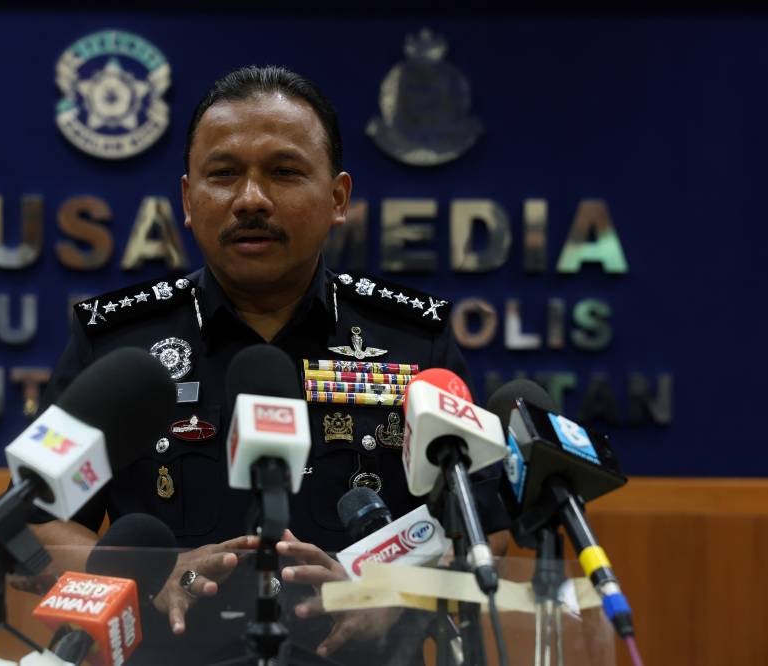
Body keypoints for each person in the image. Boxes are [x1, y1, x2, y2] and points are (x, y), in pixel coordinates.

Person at [28, 65, 509, 659]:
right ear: (188, 199)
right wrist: (144, 577)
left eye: (283, 172)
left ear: (337, 198)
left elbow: (484, 527)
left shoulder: (415, 343)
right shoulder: (118, 346)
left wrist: (399, 595)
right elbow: (37, 519)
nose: (251, 199)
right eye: (223, 174)